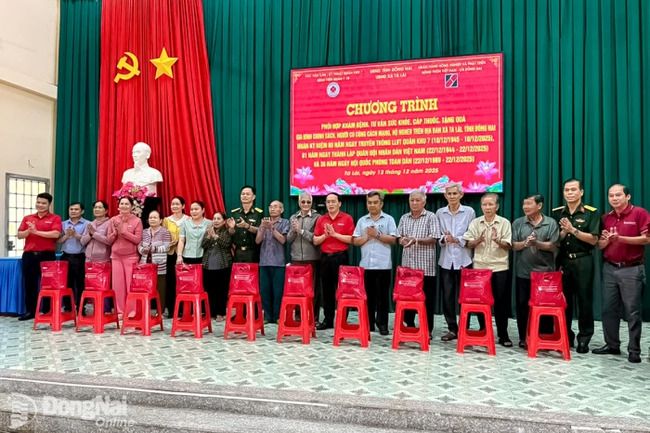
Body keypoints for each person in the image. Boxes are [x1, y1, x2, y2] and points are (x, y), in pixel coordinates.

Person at [592, 184, 649, 363]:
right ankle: (612, 345)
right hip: (609, 268)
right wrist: (606, 241)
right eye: (611, 195)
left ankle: (634, 350)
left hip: (631, 269)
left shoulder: (639, 213)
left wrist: (620, 238)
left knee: (632, 311)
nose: (614, 198)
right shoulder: (606, 217)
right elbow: (600, 245)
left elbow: (647, 239)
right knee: (608, 309)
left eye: (618, 195)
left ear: (628, 196)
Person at [551, 178, 600, 354]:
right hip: (564, 261)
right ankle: (566, 336)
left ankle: (584, 338)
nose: (570, 193)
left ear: (581, 192)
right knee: (565, 301)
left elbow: (594, 240)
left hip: (583, 260)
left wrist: (573, 230)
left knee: (584, 300)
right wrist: (563, 233)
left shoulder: (591, 212)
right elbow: (554, 241)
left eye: (573, 190)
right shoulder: (557, 213)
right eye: (567, 190)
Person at [463, 193, 513, 346]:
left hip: (499, 267)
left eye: (490, 204)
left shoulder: (504, 223)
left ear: (497, 206)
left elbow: (508, 245)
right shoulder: (475, 223)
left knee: (501, 302)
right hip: (480, 267)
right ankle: (483, 330)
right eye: (484, 204)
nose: (487, 207)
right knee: (480, 302)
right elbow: (468, 243)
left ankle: (503, 335)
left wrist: (498, 240)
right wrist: (478, 240)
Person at [511, 193, 559, 349]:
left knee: (545, 306)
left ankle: (544, 336)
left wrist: (536, 243)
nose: (525, 207)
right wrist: (525, 243)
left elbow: (553, 246)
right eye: (524, 204)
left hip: (545, 273)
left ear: (539, 206)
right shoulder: (518, 223)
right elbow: (513, 245)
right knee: (522, 306)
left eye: (529, 204)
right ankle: (523, 337)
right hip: (523, 272)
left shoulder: (550, 223)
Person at [352, 191, 397, 336]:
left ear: (381, 204)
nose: (372, 205)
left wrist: (377, 234)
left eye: (375, 202)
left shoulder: (388, 219)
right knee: (368, 296)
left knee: (383, 297)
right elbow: (355, 241)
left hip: (383, 265)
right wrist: (367, 236)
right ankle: (369, 323)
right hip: (366, 265)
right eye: (369, 202)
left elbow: (393, 239)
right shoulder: (362, 220)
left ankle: (382, 324)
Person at [436, 183, 476, 342]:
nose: (452, 196)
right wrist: (444, 238)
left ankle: (465, 327)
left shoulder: (469, 211)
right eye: (449, 194)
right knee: (447, 296)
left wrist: (457, 239)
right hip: (446, 260)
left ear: (461, 195)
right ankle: (452, 328)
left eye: (455, 193)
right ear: (445, 196)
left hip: (464, 259)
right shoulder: (440, 212)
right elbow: (438, 235)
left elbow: (471, 234)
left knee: (466, 296)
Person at [396, 190, 440, 336]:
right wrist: (402, 240)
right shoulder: (404, 217)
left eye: (417, 200)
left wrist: (416, 240)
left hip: (425, 268)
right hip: (408, 268)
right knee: (407, 300)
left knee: (427, 300)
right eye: (412, 200)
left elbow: (434, 238)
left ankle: (427, 330)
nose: (414, 203)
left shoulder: (431, 217)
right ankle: (409, 326)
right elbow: (399, 236)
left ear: (424, 202)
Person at [16, 192, 62, 321]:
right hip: (29, 255)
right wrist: (29, 231)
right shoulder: (28, 218)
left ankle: (47, 310)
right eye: (38, 202)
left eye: (43, 203)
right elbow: (19, 235)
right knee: (29, 283)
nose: (40, 205)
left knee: (48, 283)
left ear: (49, 204)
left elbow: (55, 234)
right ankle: (30, 311)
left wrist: (36, 232)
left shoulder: (55, 218)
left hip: (47, 255)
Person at [313, 192, 355, 330]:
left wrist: (335, 234)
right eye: (328, 202)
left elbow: (351, 239)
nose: (330, 204)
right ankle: (328, 320)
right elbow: (315, 240)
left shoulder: (347, 218)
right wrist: (325, 236)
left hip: (341, 257)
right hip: (325, 257)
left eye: (333, 201)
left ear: (339, 203)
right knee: (327, 290)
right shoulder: (321, 219)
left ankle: (343, 321)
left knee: (343, 290)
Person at [287, 192, 321, 321]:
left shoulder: (317, 217)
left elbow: (315, 238)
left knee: (313, 289)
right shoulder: (293, 217)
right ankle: (298, 315)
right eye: (303, 202)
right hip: (296, 258)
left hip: (312, 258)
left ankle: (314, 316)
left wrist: (301, 231)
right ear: (299, 203)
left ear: (312, 203)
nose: (305, 204)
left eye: (308, 202)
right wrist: (294, 230)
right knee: (297, 289)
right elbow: (288, 239)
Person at [107, 196, 143, 315]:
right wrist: (114, 233)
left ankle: (132, 311)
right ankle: (120, 311)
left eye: (127, 204)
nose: (124, 206)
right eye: (121, 203)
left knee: (130, 285)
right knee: (117, 285)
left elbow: (137, 240)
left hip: (131, 256)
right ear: (118, 206)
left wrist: (124, 232)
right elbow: (109, 240)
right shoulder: (113, 220)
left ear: (132, 207)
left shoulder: (137, 220)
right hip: (116, 256)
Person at [256, 201, 290, 323]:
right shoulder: (264, 221)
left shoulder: (285, 222)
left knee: (278, 291)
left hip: (278, 262)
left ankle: (277, 316)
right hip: (264, 261)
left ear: (282, 210)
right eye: (271, 207)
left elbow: (283, 240)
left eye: (276, 207)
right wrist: (262, 228)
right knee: (265, 290)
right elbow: (257, 241)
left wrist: (272, 228)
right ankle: (267, 316)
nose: (273, 209)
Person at [58, 201, 90, 309]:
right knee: (67, 283)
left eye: (76, 209)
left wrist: (76, 235)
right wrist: (67, 235)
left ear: (82, 211)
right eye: (71, 209)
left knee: (80, 283)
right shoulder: (63, 224)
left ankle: (81, 307)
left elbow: (86, 241)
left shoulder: (87, 224)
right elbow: (58, 241)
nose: (73, 211)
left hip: (80, 257)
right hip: (65, 256)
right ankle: (68, 307)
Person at [138, 210, 171, 314]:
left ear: (160, 220)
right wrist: (142, 250)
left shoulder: (165, 232)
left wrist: (154, 249)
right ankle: (145, 310)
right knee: (146, 288)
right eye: (150, 218)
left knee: (160, 289)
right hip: (145, 264)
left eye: (155, 217)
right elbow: (139, 245)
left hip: (159, 265)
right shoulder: (144, 232)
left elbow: (167, 247)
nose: (152, 219)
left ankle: (160, 311)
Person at [201, 212, 232, 321]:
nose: (216, 221)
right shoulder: (209, 230)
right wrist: (209, 236)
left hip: (223, 265)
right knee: (209, 289)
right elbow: (203, 245)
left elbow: (226, 244)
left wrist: (215, 237)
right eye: (214, 218)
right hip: (208, 265)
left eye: (219, 219)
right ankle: (211, 312)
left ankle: (220, 312)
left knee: (221, 290)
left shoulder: (227, 231)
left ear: (224, 221)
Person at [162, 196, 190, 317]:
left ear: (183, 206)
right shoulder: (166, 220)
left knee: (185, 282)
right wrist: (168, 243)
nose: (174, 206)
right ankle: (171, 309)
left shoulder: (188, 219)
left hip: (185, 254)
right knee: (171, 281)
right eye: (172, 204)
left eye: (177, 204)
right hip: (170, 254)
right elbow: (162, 236)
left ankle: (185, 309)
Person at [227, 186, 264, 262]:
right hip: (238, 251)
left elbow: (260, 231)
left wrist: (247, 226)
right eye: (243, 194)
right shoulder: (235, 213)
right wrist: (231, 228)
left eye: (247, 194)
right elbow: (231, 233)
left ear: (253, 197)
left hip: (253, 251)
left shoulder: (258, 213)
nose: (244, 196)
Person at [177, 201, 211, 265]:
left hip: (204, 255)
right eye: (191, 209)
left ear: (203, 210)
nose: (193, 211)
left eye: (196, 209)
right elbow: (181, 240)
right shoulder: (185, 223)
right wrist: (179, 256)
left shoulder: (209, 223)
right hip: (187, 255)